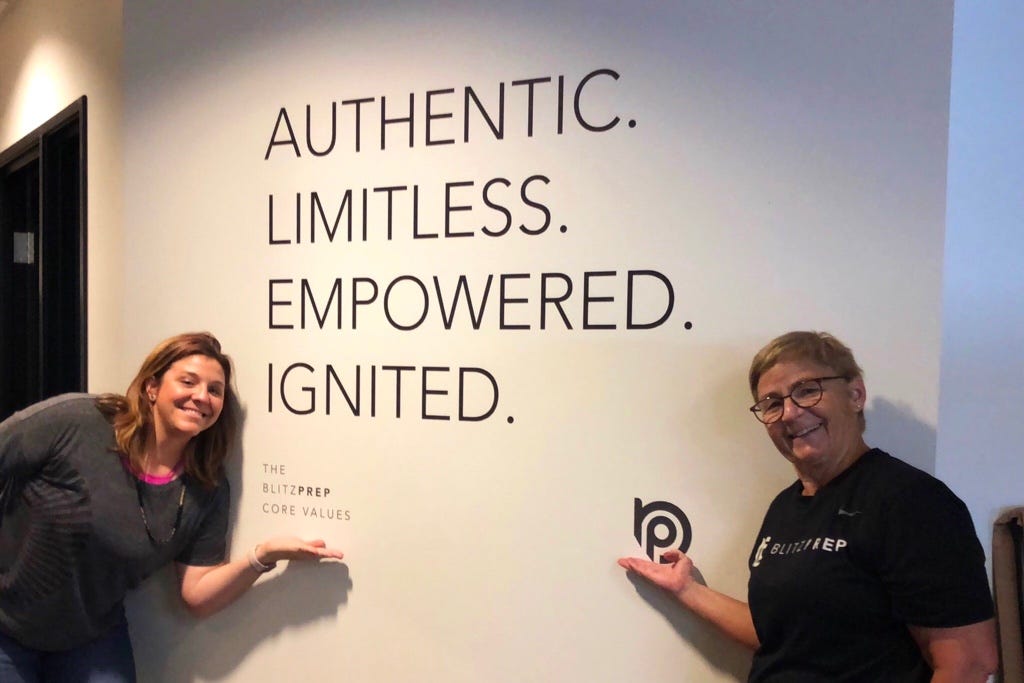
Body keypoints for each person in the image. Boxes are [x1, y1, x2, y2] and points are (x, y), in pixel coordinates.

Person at [619, 331, 998, 682]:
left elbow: (969, 662)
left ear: (855, 395)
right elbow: (784, 634)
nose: (790, 412)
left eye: (807, 390)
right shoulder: (786, 506)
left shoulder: (912, 500)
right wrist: (688, 590)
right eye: (772, 403)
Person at [0, 332, 344, 682]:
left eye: (214, 390)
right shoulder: (77, 421)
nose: (201, 396)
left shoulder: (205, 485)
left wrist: (264, 555)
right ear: (152, 387)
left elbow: (197, 594)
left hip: (89, 637)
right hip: (7, 626)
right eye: (188, 381)